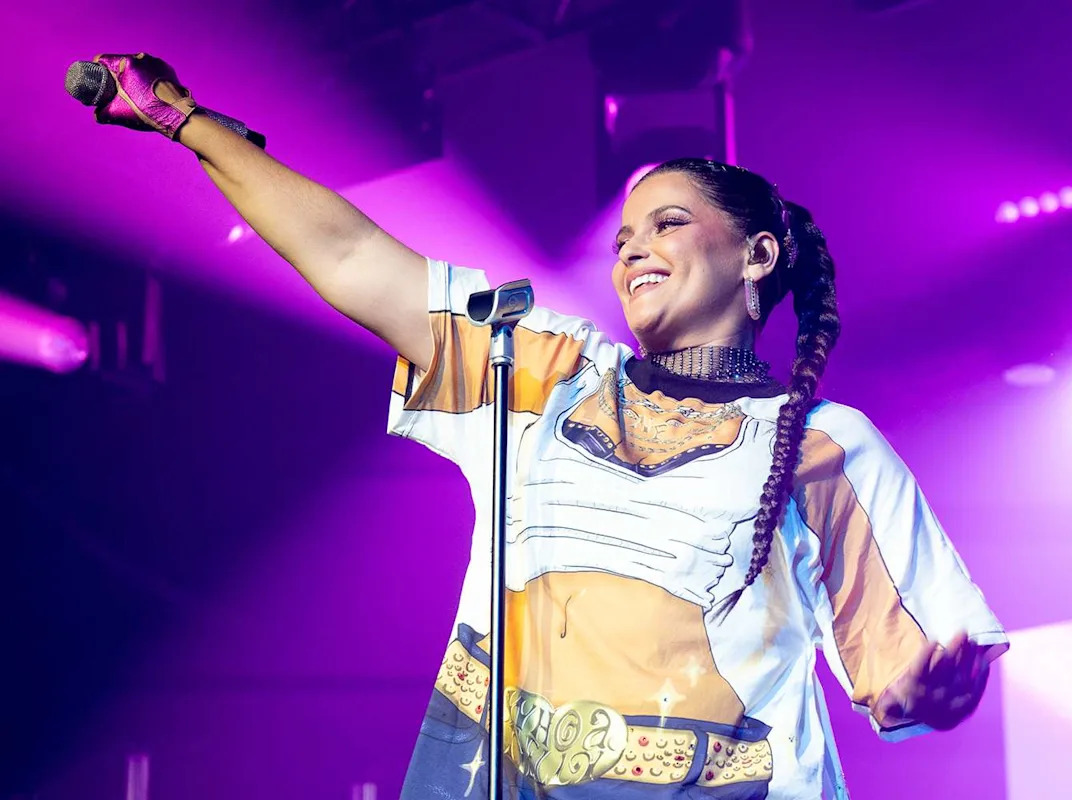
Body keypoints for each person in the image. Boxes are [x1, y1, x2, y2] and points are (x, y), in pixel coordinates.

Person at [81, 53, 1009, 799]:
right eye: (624, 238)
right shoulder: (540, 369)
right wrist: (184, 121)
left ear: (757, 255)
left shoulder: (823, 443)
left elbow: (904, 676)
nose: (633, 249)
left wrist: (935, 695)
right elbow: (353, 255)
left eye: (667, 224)